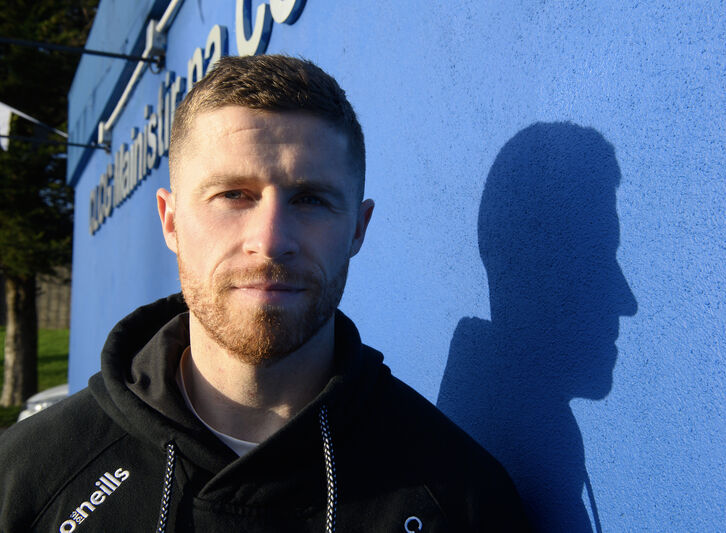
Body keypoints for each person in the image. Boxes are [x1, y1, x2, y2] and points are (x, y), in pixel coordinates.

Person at [0, 55, 532, 532]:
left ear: (358, 230)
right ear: (170, 221)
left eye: (311, 199)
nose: (271, 241)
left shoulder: (460, 495)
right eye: (233, 195)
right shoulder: (25, 478)